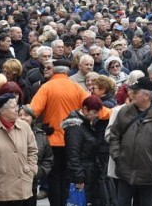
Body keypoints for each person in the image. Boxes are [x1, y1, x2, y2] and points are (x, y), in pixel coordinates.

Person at [30, 59, 111, 206]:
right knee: (67, 177)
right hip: (73, 140)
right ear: (68, 72)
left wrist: (39, 126)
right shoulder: (76, 88)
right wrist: (117, 112)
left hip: (52, 139)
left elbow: (32, 111)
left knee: (54, 177)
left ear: (54, 70)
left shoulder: (47, 87)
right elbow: (99, 109)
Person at [109, 77, 152, 205]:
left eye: (135, 92)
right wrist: (117, 156)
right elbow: (114, 135)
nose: (131, 94)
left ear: (146, 95)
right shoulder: (124, 111)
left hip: (148, 175)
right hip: (125, 171)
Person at [0, 93, 38, 205]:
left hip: (22, 185)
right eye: (14, 107)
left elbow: (33, 150)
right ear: (2, 111)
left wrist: (31, 169)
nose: (17, 109)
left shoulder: (24, 126)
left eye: (17, 106)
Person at [61, 96, 106, 205]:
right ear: (85, 109)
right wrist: (79, 179)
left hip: (89, 170)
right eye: (94, 112)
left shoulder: (85, 123)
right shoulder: (75, 126)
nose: (96, 115)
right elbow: (73, 154)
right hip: (82, 172)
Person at [18, 104, 53, 206]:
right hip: (13, 183)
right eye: (20, 115)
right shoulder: (10, 133)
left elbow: (48, 158)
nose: (23, 118)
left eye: (26, 115)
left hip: (31, 182)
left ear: (32, 118)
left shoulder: (41, 135)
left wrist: (38, 171)